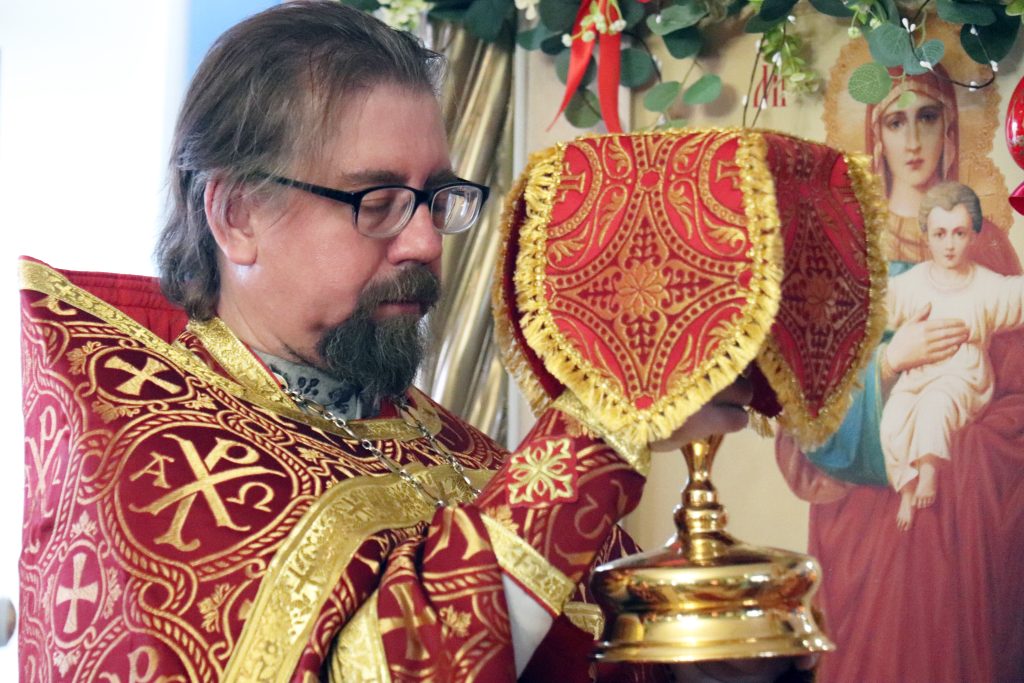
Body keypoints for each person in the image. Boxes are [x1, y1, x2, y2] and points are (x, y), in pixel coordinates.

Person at [17, 3, 759, 681]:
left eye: (436, 198)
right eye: (377, 201)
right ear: (238, 215)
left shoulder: (438, 438)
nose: (425, 241)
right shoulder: (157, 471)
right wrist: (596, 433)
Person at [777, 64, 1024, 681]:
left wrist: (961, 447)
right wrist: (889, 360)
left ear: (950, 129)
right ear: (875, 135)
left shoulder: (987, 248)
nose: (913, 141)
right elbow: (805, 395)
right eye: (895, 122)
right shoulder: (844, 249)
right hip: (861, 514)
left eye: (927, 117)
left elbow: (1019, 398)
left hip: (959, 520)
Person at [880, 182, 1024, 530]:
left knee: (936, 405)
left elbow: (1017, 297)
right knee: (892, 420)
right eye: (940, 234)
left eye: (959, 233)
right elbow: (877, 308)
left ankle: (928, 472)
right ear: (926, 236)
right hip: (917, 376)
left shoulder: (987, 286)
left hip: (963, 379)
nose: (949, 244)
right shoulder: (912, 283)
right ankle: (906, 488)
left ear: (973, 235)